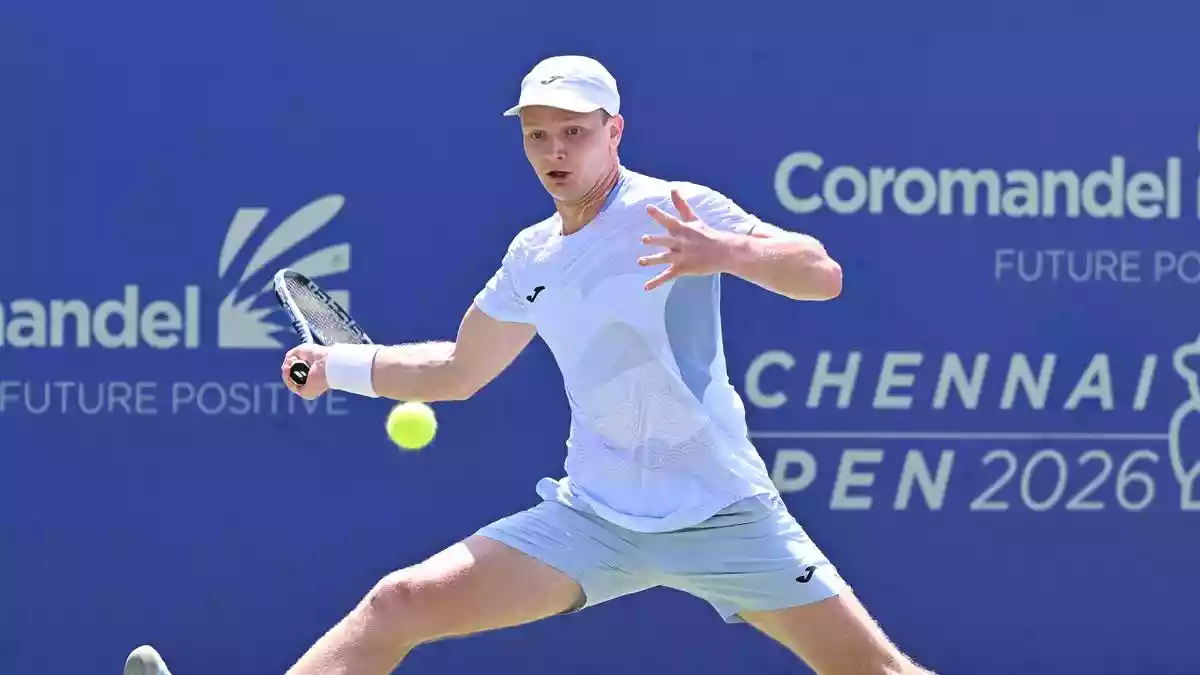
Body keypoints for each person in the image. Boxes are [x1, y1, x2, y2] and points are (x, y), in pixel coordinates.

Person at [126, 55, 932, 675]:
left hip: (724, 514)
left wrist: (726, 250)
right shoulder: (532, 255)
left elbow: (820, 273)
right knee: (399, 601)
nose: (554, 151)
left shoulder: (673, 207)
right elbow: (457, 369)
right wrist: (337, 366)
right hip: (593, 520)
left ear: (615, 131)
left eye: (574, 132)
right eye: (536, 134)